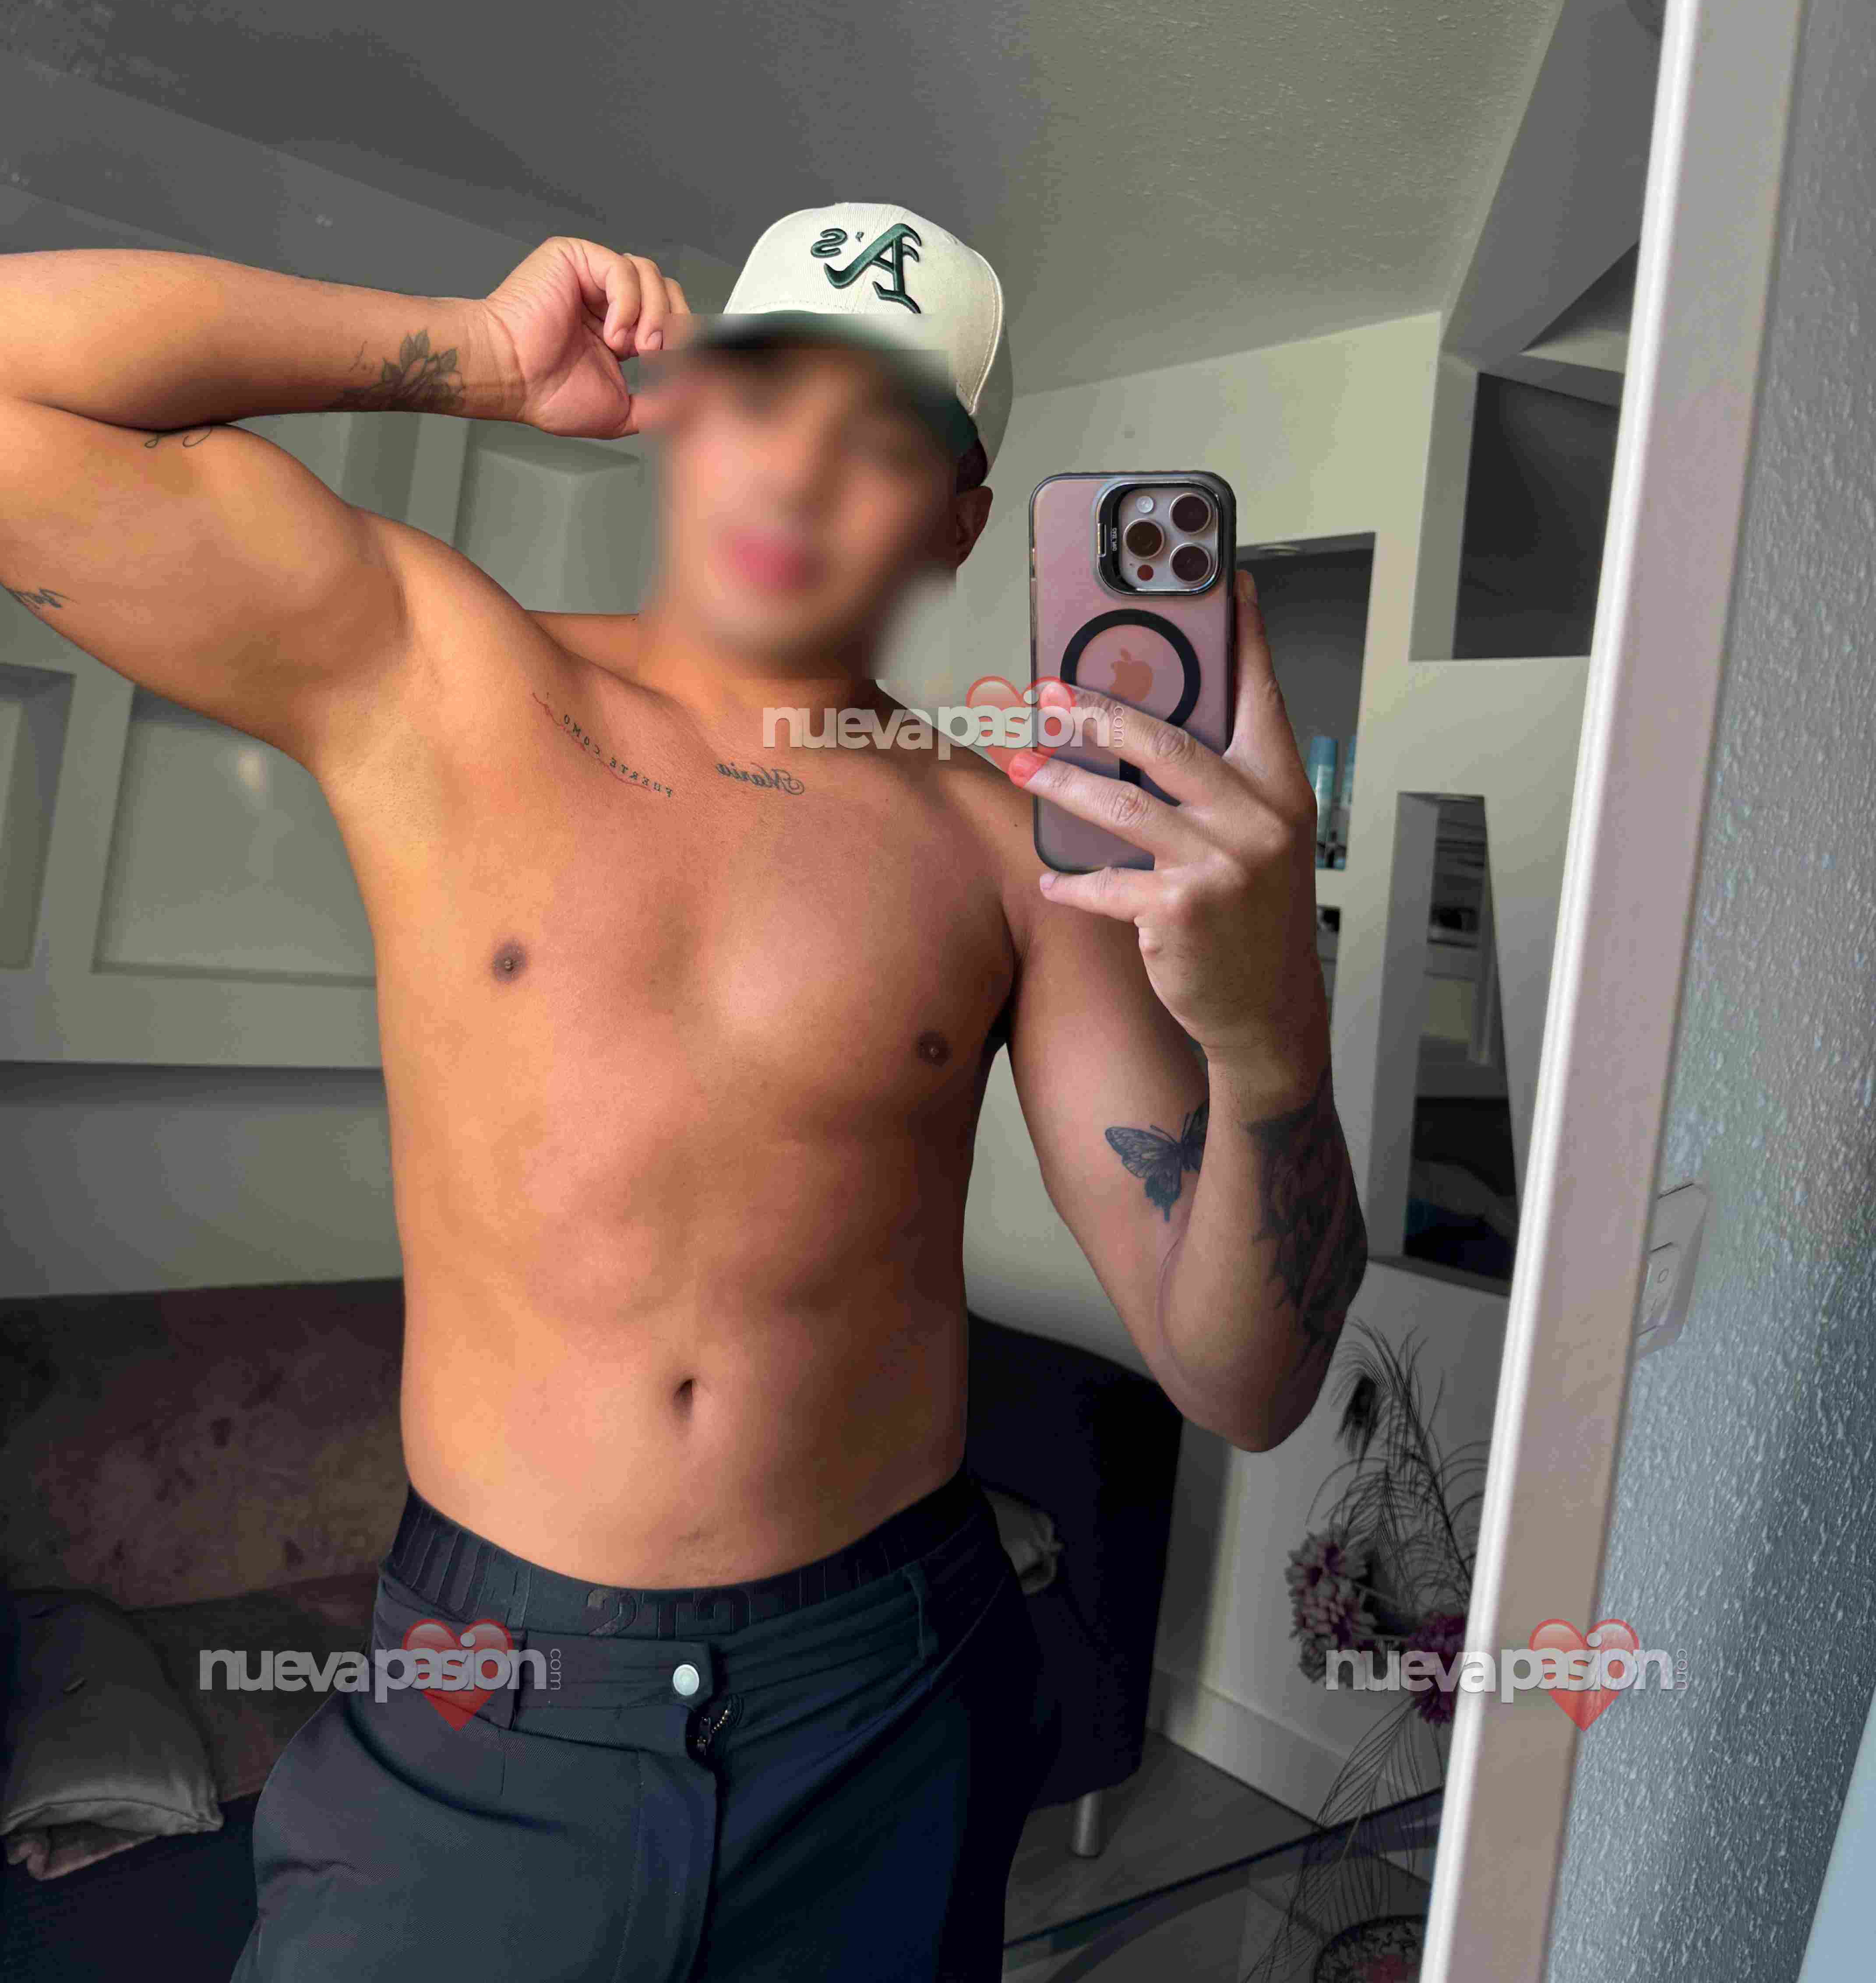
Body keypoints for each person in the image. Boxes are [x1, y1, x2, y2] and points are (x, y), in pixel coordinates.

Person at [0, 202, 1367, 1981]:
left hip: (888, 1690)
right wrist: (471, 357)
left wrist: (1271, 1034)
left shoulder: (1013, 851)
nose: (798, 472)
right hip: (491, 1695)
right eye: (764, 396)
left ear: (958, 523)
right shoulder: (434, 670)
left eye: (881, 439)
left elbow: (1244, 1379)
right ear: (685, 413)